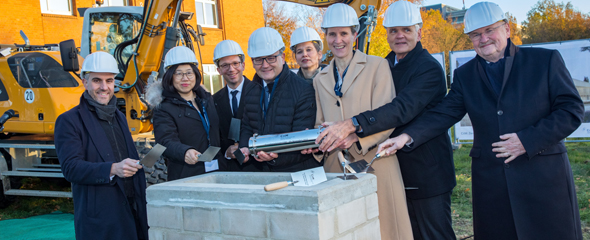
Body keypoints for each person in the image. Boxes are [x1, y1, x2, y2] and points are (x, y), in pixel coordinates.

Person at [377, 2, 584, 240]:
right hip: (492, 182)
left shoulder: (544, 61)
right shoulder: (466, 75)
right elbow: (444, 112)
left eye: (489, 30)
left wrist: (527, 140)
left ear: (507, 29)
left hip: (542, 177)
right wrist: (406, 137)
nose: (483, 38)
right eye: (475, 34)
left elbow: (571, 110)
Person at [314, 1, 456, 239]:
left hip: (426, 171)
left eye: (406, 30)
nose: (399, 36)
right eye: (393, 31)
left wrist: (351, 125)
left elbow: (399, 109)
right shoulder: (386, 63)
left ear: (419, 32)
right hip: (392, 164)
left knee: (433, 233)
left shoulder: (428, 69)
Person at [311, 3, 413, 239]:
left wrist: (355, 139)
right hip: (336, 167)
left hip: (376, 162)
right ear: (325, 37)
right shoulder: (320, 78)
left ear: (355, 35)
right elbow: (320, 121)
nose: (338, 40)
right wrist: (316, 141)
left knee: (385, 229)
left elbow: (388, 116)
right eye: (332, 34)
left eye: (344, 33)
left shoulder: (378, 66)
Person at [55, 51, 148, 240]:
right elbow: (71, 169)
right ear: (85, 82)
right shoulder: (69, 121)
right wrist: (113, 169)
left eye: (109, 80)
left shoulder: (119, 116)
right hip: (102, 219)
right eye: (97, 80)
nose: (104, 87)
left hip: (131, 210)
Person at [238, 27, 319, 172]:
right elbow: (247, 126)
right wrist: (244, 147)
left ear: (282, 57)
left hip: (295, 173)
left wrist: (275, 156)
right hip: (262, 172)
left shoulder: (302, 90)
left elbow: (301, 141)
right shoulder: (250, 90)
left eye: (270, 58)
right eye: (258, 60)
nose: (265, 65)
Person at [148, 46, 221, 181]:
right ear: (170, 77)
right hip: (186, 174)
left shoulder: (207, 99)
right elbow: (165, 141)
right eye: (178, 73)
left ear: (195, 74)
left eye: (189, 73)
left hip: (215, 170)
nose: (185, 78)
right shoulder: (164, 108)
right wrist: (185, 152)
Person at [212, 40, 266, 171]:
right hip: (230, 169)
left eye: (235, 63)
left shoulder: (260, 92)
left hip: (259, 166)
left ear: (243, 65)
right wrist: (226, 153)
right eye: (225, 65)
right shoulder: (214, 100)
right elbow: (215, 136)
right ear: (219, 70)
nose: (231, 69)